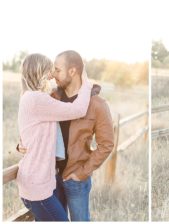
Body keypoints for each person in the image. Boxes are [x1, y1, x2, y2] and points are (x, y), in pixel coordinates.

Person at [18, 50, 114, 221]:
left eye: (57, 70)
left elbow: (106, 144)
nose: (53, 75)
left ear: (72, 71)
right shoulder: (51, 96)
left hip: (75, 179)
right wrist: (21, 144)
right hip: (49, 178)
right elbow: (33, 127)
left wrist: (83, 172)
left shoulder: (97, 105)